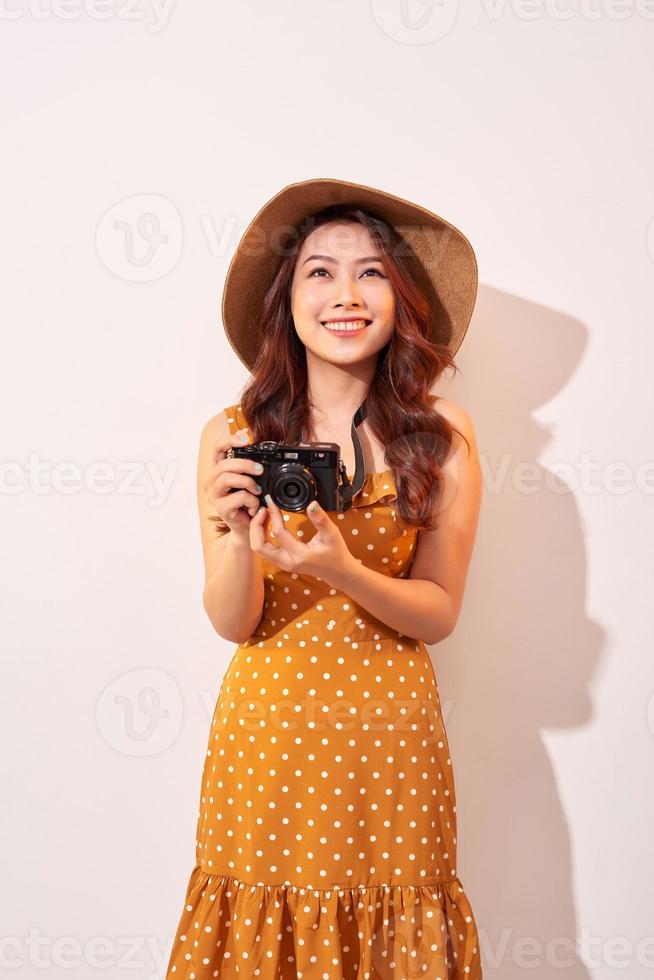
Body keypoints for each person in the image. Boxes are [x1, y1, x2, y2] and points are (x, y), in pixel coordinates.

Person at [165, 178, 484, 979]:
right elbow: (233, 621)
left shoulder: (442, 435)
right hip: (268, 738)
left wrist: (342, 570)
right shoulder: (232, 434)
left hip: (391, 742)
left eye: (372, 272)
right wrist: (237, 539)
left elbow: (438, 612)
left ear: (400, 296)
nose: (346, 294)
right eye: (320, 271)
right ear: (288, 297)